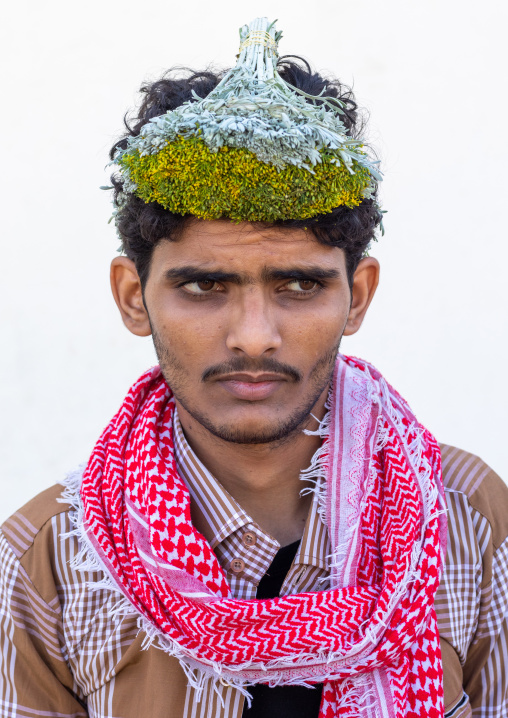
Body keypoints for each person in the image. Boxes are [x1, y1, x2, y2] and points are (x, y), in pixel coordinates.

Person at [0, 17, 506, 718]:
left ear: (357, 297)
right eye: (205, 286)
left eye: (298, 285)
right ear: (132, 297)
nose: (255, 337)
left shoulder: (466, 520)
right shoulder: (49, 562)